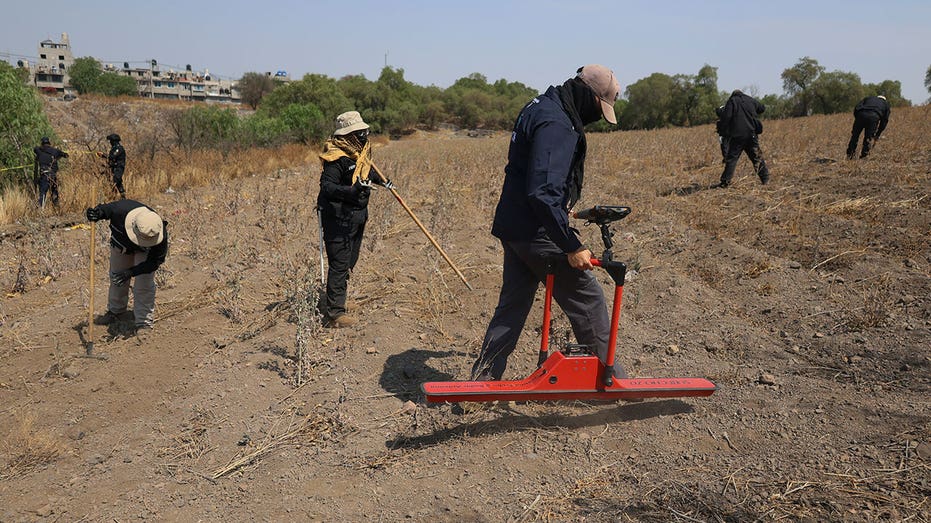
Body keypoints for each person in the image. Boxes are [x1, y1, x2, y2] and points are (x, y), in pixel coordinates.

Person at [470, 64, 627, 381]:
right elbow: (542, 192)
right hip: (537, 230)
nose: (597, 117)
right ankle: (611, 380)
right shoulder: (558, 123)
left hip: (515, 224)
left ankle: (482, 381)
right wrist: (570, 243)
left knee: (512, 305)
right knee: (588, 300)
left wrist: (561, 210)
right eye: (600, 108)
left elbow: (534, 177)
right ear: (588, 95)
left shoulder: (540, 105)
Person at [316, 111, 392, 328]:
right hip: (337, 216)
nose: (364, 136)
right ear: (348, 135)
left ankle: (337, 300)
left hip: (357, 214)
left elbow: (367, 172)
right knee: (339, 263)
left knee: (350, 260)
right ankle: (335, 315)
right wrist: (352, 190)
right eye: (360, 133)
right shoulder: (336, 157)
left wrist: (383, 181)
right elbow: (327, 187)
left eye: (365, 132)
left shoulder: (360, 153)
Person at [85, 199, 168, 336]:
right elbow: (105, 210)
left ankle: (143, 323)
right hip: (121, 246)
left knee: (144, 285)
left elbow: (155, 262)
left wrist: (131, 272)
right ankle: (116, 312)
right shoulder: (121, 209)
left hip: (146, 253)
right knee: (117, 277)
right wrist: (96, 213)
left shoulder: (158, 232)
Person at [717, 90, 769, 188]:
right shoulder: (750, 100)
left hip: (738, 136)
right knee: (757, 157)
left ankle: (725, 182)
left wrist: (724, 131)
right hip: (751, 134)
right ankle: (765, 179)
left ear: (732, 95)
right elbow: (762, 108)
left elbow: (726, 117)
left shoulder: (732, 101)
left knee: (732, 159)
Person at [846, 95, 890, 159]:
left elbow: (857, 107)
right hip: (874, 117)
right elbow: (884, 121)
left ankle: (850, 155)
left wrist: (857, 117)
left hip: (861, 114)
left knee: (855, 135)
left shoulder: (868, 98)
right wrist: (878, 134)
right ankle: (864, 156)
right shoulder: (886, 104)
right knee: (868, 138)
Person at [33, 137, 68, 208]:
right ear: (49, 143)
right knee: (54, 193)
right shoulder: (55, 151)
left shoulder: (39, 151)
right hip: (52, 175)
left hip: (44, 175)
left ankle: (40, 210)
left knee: (43, 193)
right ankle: (57, 209)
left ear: (42, 143)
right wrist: (59, 155)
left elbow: (35, 149)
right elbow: (66, 155)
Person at [96, 133, 126, 198]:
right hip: (113, 167)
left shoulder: (119, 148)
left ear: (114, 141)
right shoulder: (113, 148)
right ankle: (121, 197)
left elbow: (112, 157)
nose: (110, 142)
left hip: (119, 168)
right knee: (118, 182)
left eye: (111, 141)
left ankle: (114, 196)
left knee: (115, 180)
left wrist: (103, 155)